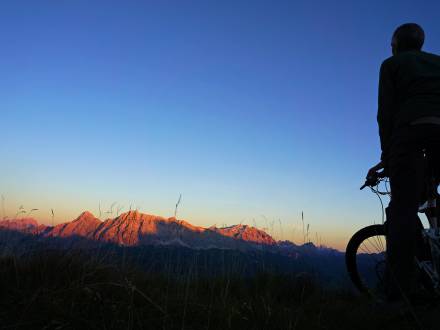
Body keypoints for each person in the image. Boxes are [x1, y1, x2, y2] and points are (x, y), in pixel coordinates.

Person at [367, 23, 440, 301]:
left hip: (411, 132)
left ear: (396, 43)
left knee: (402, 210)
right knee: (430, 196)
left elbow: (385, 114)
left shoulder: (392, 64)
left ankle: (397, 293)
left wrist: (387, 157)